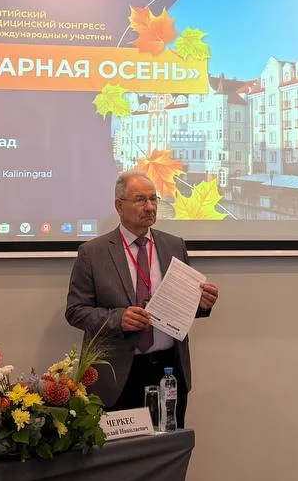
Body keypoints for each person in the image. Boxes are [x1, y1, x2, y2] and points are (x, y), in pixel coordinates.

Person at [66, 170, 219, 428]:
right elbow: (75, 311)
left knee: (168, 446)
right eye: (140, 200)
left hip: (169, 370)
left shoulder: (174, 245)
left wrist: (201, 303)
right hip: (117, 374)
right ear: (119, 206)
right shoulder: (93, 253)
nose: (149, 207)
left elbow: (180, 304)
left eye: (153, 199)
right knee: (122, 451)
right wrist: (118, 319)